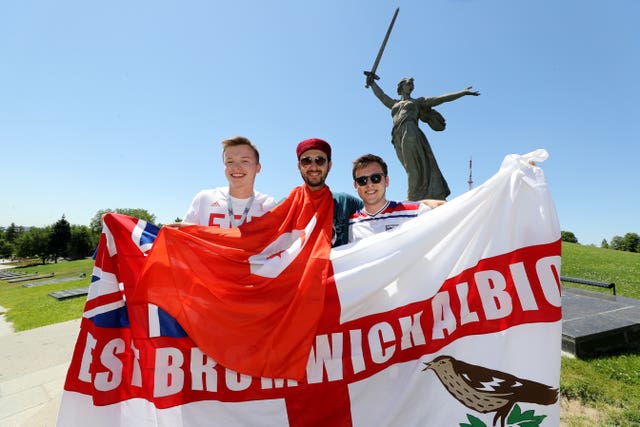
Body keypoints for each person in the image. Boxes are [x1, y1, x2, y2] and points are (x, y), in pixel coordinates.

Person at [366, 75, 479, 201]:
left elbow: (441, 99)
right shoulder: (394, 103)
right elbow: (381, 95)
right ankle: (419, 193)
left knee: (412, 167)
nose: (411, 86)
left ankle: (412, 198)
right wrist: (372, 84)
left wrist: (462, 93)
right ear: (401, 87)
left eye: (412, 84)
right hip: (397, 136)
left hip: (410, 132)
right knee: (408, 167)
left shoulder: (417, 102)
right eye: (408, 84)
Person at [181, 136, 277, 228]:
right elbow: (184, 239)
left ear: (258, 167)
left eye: (244, 161)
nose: (236, 168)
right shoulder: (204, 199)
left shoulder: (269, 205)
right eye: (230, 162)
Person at [348, 154, 444, 243]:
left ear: (386, 181)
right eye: (362, 180)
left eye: (376, 178)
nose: (369, 184)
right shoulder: (349, 224)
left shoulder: (416, 213)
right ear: (356, 186)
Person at [296, 138, 363, 247]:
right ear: (299, 166)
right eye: (306, 161)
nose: (313, 167)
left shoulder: (346, 203)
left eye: (320, 160)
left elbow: (377, 218)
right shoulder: (287, 207)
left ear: (329, 165)